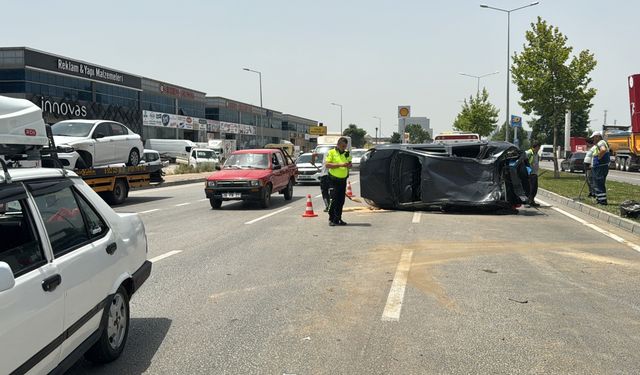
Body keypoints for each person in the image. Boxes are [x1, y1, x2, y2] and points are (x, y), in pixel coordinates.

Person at [325, 137, 352, 226]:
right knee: (333, 199)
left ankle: (338, 218)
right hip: (333, 180)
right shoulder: (331, 152)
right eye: (343, 146)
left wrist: (349, 165)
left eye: (345, 146)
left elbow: (349, 164)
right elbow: (327, 165)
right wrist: (341, 164)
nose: (344, 148)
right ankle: (331, 218)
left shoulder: (347, 153)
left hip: (343, 180)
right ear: (338, 145)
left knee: (341, 200)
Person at [589, 131, 610, 205]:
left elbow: (603, 150)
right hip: (601, 167)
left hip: (600, 167)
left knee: (598, 184)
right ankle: (600, 199)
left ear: (598, 137)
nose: (593, 139)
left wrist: (599, 157)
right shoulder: (602, 143)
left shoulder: (601, 143)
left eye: (594, 137)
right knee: (599, 184)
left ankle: (602, 201)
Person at [525, 142, 541, 207]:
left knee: (535, 188)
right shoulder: (529, 153)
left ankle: (531, 200)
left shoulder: (536, 154)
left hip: (535, 173)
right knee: (531, 188)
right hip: (530, 173)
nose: (539, 148)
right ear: (535, 147)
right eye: (538, 147)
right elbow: (524, 161)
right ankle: (529, 201)